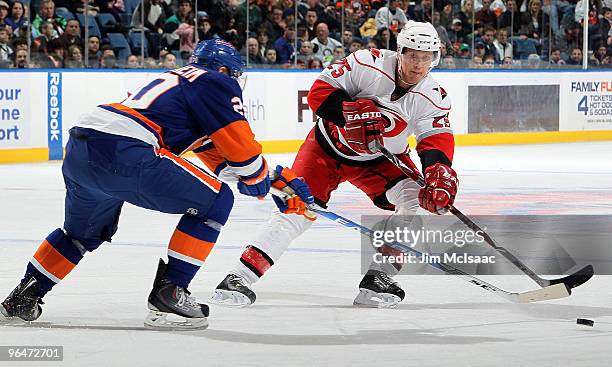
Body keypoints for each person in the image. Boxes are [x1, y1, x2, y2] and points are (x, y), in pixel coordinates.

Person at [0, 39, 313, 329]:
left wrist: (273, 180)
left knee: (80, 235)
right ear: (223, 70)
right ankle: (171, 293)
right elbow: (244, 159)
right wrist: (260, 180)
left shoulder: (181, 85)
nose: (235, 82)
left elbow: (227, 164)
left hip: (82, 147)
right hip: (126, 148)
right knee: (217, 202)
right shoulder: (215, 81)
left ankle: (22, 299)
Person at [210, 21, 458, 309]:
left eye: (426, 57)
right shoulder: (367, 63)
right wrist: (347, 115)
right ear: (399, 51)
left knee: (415, 198)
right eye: (412, 55)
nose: (418, 64)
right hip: (325, 149)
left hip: (378, 160)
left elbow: (435, 141)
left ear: (435, 58)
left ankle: (379, 277)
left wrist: (439, 174)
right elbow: (318, 93)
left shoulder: (434, 96)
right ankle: (238, 277)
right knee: (297, 208)